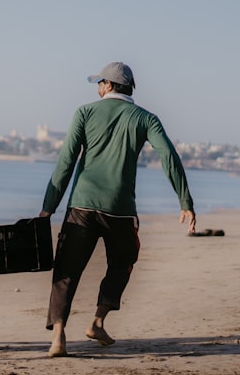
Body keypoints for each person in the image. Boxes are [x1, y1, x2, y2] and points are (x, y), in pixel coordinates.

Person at [40, 61, 196, 357]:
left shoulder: (84, 112)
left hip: (82, 207)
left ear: (109, 86)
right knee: (122, 264)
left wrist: (48, 207)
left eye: (99, 83)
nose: (97, 88)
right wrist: (185, 201)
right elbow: (169, 157)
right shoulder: (146, 119)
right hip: (121, 210)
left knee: (66, 271)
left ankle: (58, 337)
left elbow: (65, 163)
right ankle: (97, 321)